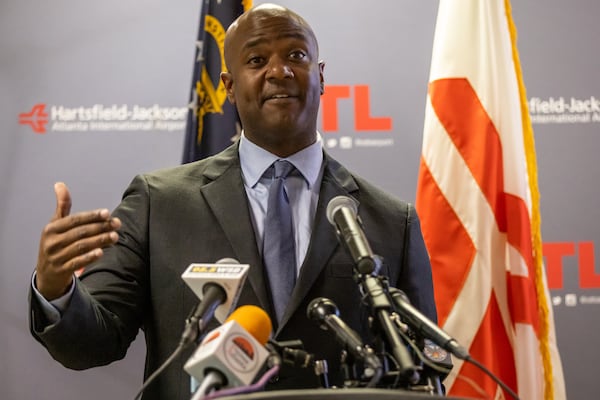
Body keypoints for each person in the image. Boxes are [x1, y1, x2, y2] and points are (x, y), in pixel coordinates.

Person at [29, 3, 438, 400]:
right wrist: (57, 288)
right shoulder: (160, 203)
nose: (279, 72)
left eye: (296, 55)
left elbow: (420, 367)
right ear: (227, 85)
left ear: (321, 75)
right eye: (257, 60)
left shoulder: (389, 220)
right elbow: (93, 344)